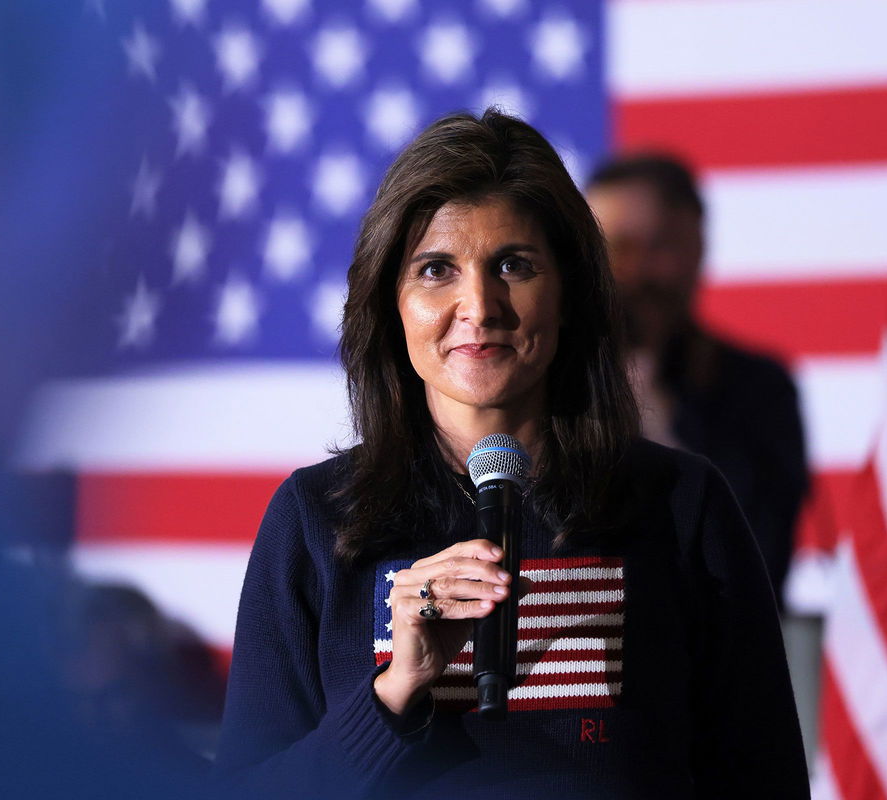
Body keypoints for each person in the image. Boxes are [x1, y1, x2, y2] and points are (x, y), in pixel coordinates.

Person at [215, 111, 808, 799]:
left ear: (570, 294)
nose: (479, 305)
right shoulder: (316, 518)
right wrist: (393, 694)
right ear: (390, 302)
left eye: (514, 265)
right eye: (437, 269)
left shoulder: (681, 504)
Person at [586, 155, 808, 604]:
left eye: (650, 247)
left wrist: (658, 421)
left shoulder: (757, 389)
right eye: (610, 250)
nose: (630, 272)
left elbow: (762, 559)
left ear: (696, 249)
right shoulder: (544, 384)